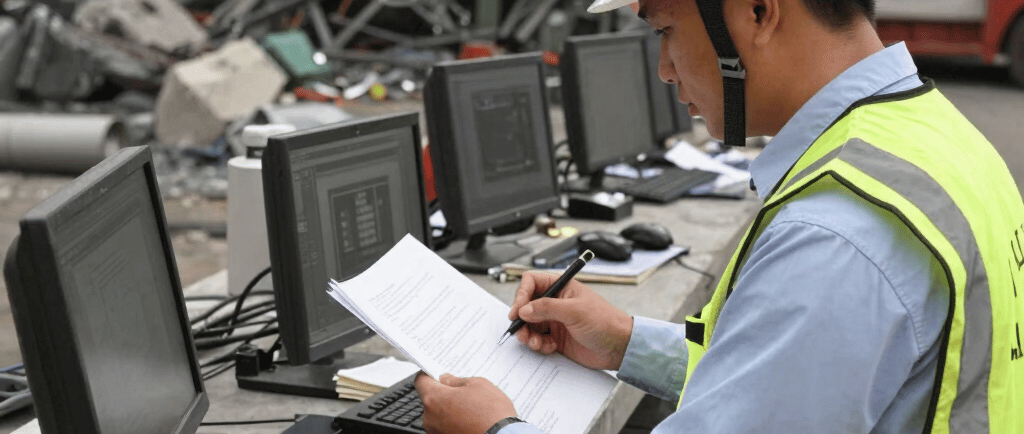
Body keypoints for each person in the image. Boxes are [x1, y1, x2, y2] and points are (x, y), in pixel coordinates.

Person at [414, 0, 1024, 432]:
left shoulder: (836, 235)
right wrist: (626, 343)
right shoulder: (932, 139)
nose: (665, 68)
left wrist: (493, 430)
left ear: (758, 11)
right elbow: (799, 379)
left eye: (666, 29)